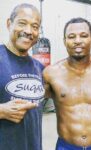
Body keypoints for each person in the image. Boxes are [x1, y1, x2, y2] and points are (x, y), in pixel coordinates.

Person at [43, 17, 91, 150]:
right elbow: (36, 102)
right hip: (65, 146)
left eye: (83, 36)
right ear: (64, 41)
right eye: (71, 36)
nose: (77, 41)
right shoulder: (51, 73)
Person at [0, 3, 45, 150]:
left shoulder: (39, 68)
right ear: (9, 24)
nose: (28, 31)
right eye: (22, 23)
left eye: (35, 26)